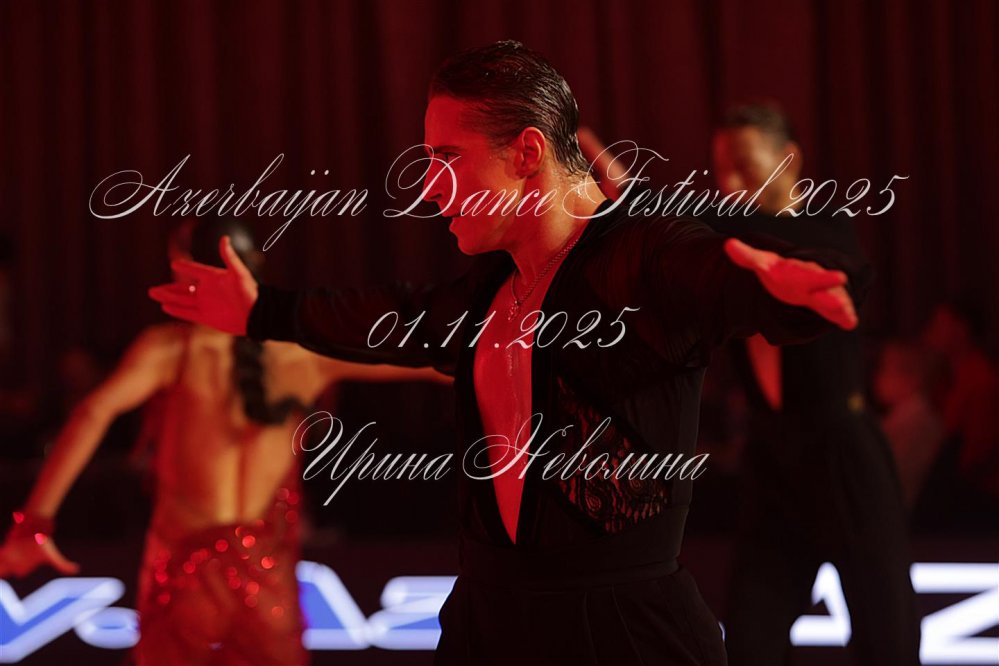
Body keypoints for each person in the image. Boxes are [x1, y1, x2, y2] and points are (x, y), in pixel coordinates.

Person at [151, 42, 866, 665]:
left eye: (447, 158)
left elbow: (718, 275)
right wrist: (262, 311)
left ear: (526, 152)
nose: (428, 188)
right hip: (488, 627)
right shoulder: (492, 286)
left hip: (626, 636)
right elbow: (395, 315)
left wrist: (788, 286)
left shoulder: (645, 256)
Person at [0, 218, 449, 666]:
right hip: (268, 588)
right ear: (256, 265)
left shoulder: (171, 351)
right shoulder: (303, 351)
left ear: (185, 267)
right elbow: (438, 363)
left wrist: (35, 522)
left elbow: (91, 413)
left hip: (187, 578)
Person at [874, 338, 946, 508]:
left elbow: (889, 477)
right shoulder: (906, 416)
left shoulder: (914, 422)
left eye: (885, 368)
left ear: (912, 378)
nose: (877, 376)